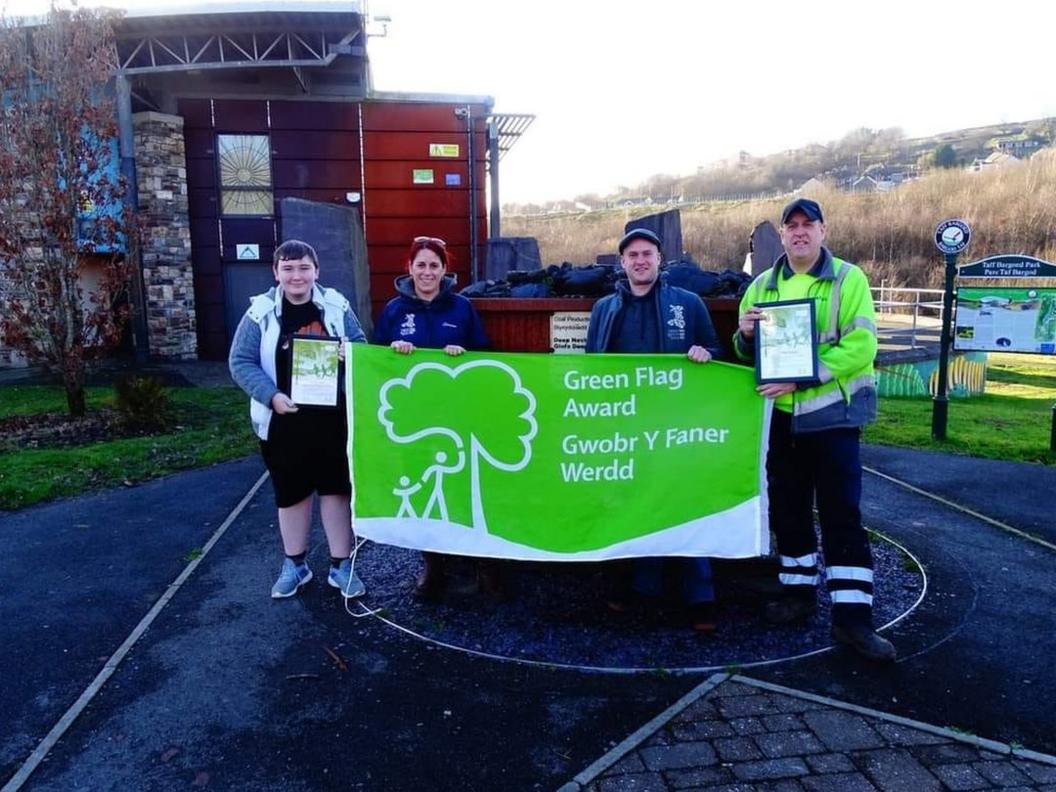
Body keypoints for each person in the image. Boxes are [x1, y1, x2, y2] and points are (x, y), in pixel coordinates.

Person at [733, 198, 896, 662]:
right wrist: (745, 336)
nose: (800, 232)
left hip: (833, 420)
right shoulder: (761, 286)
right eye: (792, 226)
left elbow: (861, 346)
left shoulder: (849, 279)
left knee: (841, 514)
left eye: (809, 225)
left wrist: (804, 375)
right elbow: (747, 356)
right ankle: (797, 595)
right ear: (782, 235)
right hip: (781, 422)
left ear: (823, 231)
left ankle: (853, 619)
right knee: (789, 511)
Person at [585, 228, 723, 632]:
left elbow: (716, 350)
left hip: (676, 427)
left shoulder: (689, 303)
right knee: (628, 505)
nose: (640, 260)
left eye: (647, 253)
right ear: (622, 262)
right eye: (632, 255)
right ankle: (635, 590)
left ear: (660, 259)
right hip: (624, 428)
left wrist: (704, 353)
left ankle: (701, 597)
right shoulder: (603, 309)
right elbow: (591, 368)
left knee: (684, 504)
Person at [229, 239, 367, 600]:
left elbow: (362, 349)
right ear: (275, 273)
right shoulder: (259, 313)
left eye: (304, 267)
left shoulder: (337, 306)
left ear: (316, 271)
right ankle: (295, 565)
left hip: (334, 421)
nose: (296, 275)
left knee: (336, 492)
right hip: (282, 421)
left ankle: (341, 566)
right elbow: (240, 361)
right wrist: (271, 397)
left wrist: (347, 353)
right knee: (291, 495)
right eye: (288, 268)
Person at [373, 235, 500, 600]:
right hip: (415, 421)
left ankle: (481, 564)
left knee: (466, 491)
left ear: (445, 270)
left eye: (434, 265)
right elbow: (376, 361)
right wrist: (393, 354)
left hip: (459, 417)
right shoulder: (395, 310)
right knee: (427, 491)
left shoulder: (462, 308)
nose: (427, 272)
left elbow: (485, 356)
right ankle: (434, 566)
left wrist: (464, 354)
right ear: (409, 268)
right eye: (421, 265)